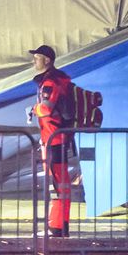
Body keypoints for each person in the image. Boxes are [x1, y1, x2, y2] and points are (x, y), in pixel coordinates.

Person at [29, 45, 78, 238]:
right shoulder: (57, 80)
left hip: (54, 138)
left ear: (47, 60)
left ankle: (56, 227)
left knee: (57, 184)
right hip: (58, 137)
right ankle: (60, 225)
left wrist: (34, 109)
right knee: (60, 183)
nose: (34, 61)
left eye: (37, 58)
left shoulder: (50, 82)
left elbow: (47, 108)